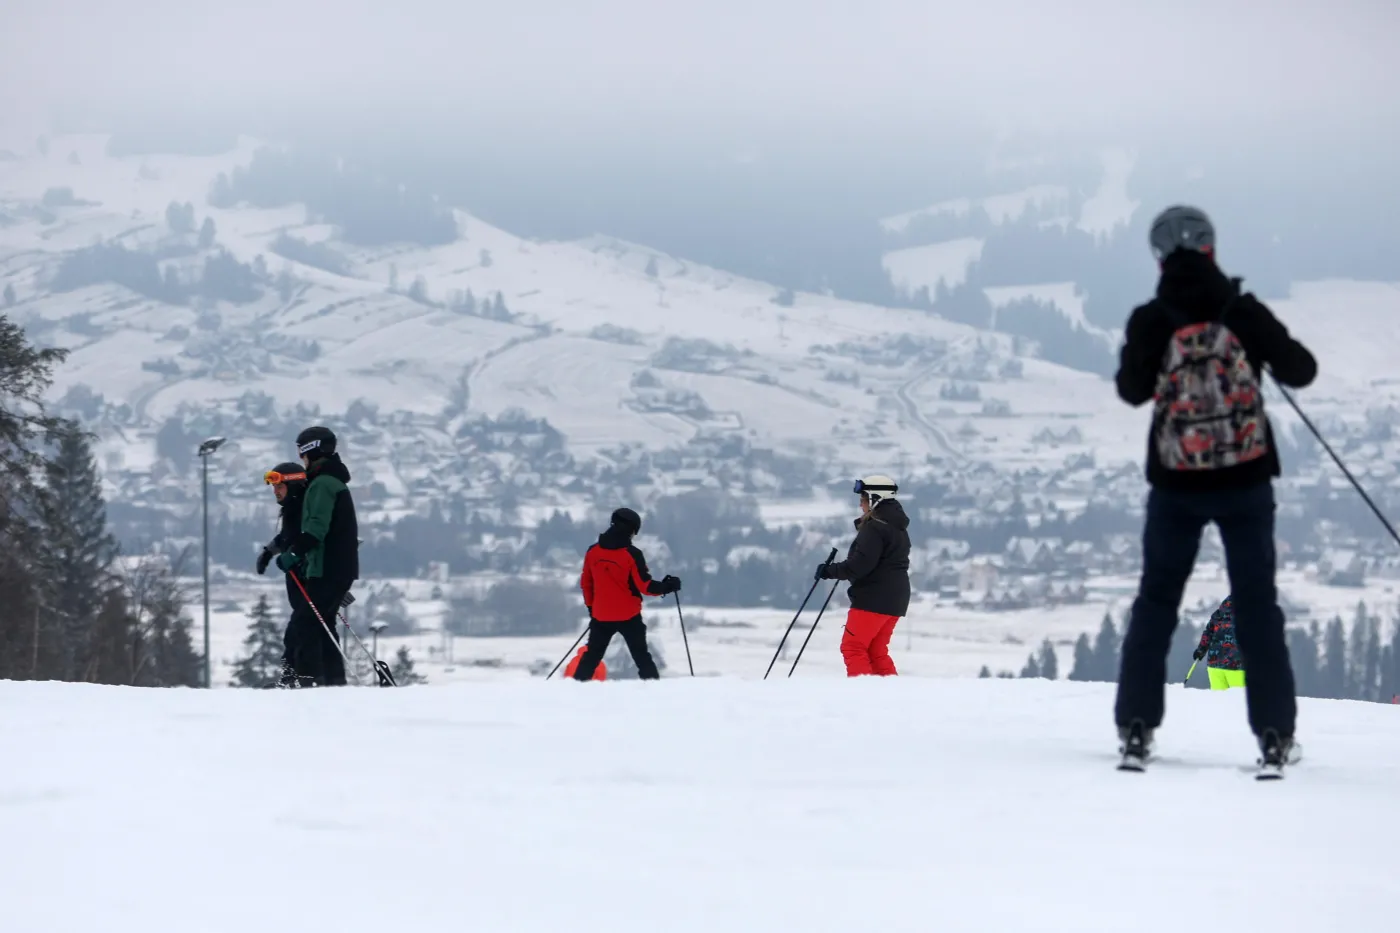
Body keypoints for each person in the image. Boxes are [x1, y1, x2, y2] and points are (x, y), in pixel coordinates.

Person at [1112, 205, 1316, 775]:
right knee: (1256, 605)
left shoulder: (1152, 317)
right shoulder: (1241, 310)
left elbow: (1131, 390)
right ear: (1212, 249)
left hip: (1175, 482)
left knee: (1156, 603)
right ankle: (1275, 735)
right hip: (1246, 480)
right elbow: (1302, 370)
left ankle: (1136, 729)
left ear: (1158, 257)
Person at [273, 426, 360, 687]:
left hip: (329, 568)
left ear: (311, 450)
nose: (302, 458)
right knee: (323, 627)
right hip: (332, 568)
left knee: (305, 624)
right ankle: (333, 683)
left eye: (302, 452)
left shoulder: (322, 485)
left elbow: (316, 529)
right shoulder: (327, 481)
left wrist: (293, 554)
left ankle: (308, 681)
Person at [816, 475, 912, 676]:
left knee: (853, 647)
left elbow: (860, 566)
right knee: (877, 652)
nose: (860, 505)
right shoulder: (897, 527)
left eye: (863, 499)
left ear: (875, 498)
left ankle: (863, 696)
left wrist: (829, 571)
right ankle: (892, 696)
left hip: (873, 599)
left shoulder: (875, 528)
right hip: (896, 599)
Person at [572, 507, 679, 681]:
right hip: (628, 615)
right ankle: (654, 689)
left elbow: (586, 584)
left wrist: (593, 608)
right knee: (641, 657)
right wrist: (668, 586)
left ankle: (575, 688)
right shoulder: (632, 555)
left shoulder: (593, 551)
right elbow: (645, 586)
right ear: (631, 530)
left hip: (601, 615)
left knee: (591, 657)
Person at [255, 462, 309, 687]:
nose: (275, 491)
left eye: (280, 486)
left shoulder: (301, 509)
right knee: (300, 628)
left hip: (307, 578)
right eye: (274, 487)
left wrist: (293, 556)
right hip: (296, 580)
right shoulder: (291, 509)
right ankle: (294, 677)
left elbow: (306, 539)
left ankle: (297, 678)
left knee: (299, 630)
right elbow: (285, 538)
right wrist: (268, 552)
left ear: (294, 485)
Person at [1194, 596, 1245, 690]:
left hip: (1214, 665)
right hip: (1237, 666)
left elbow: (1208, 633)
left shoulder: (1219, 613)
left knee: (1219, 702)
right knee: (1239, 702)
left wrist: (1201, 650)